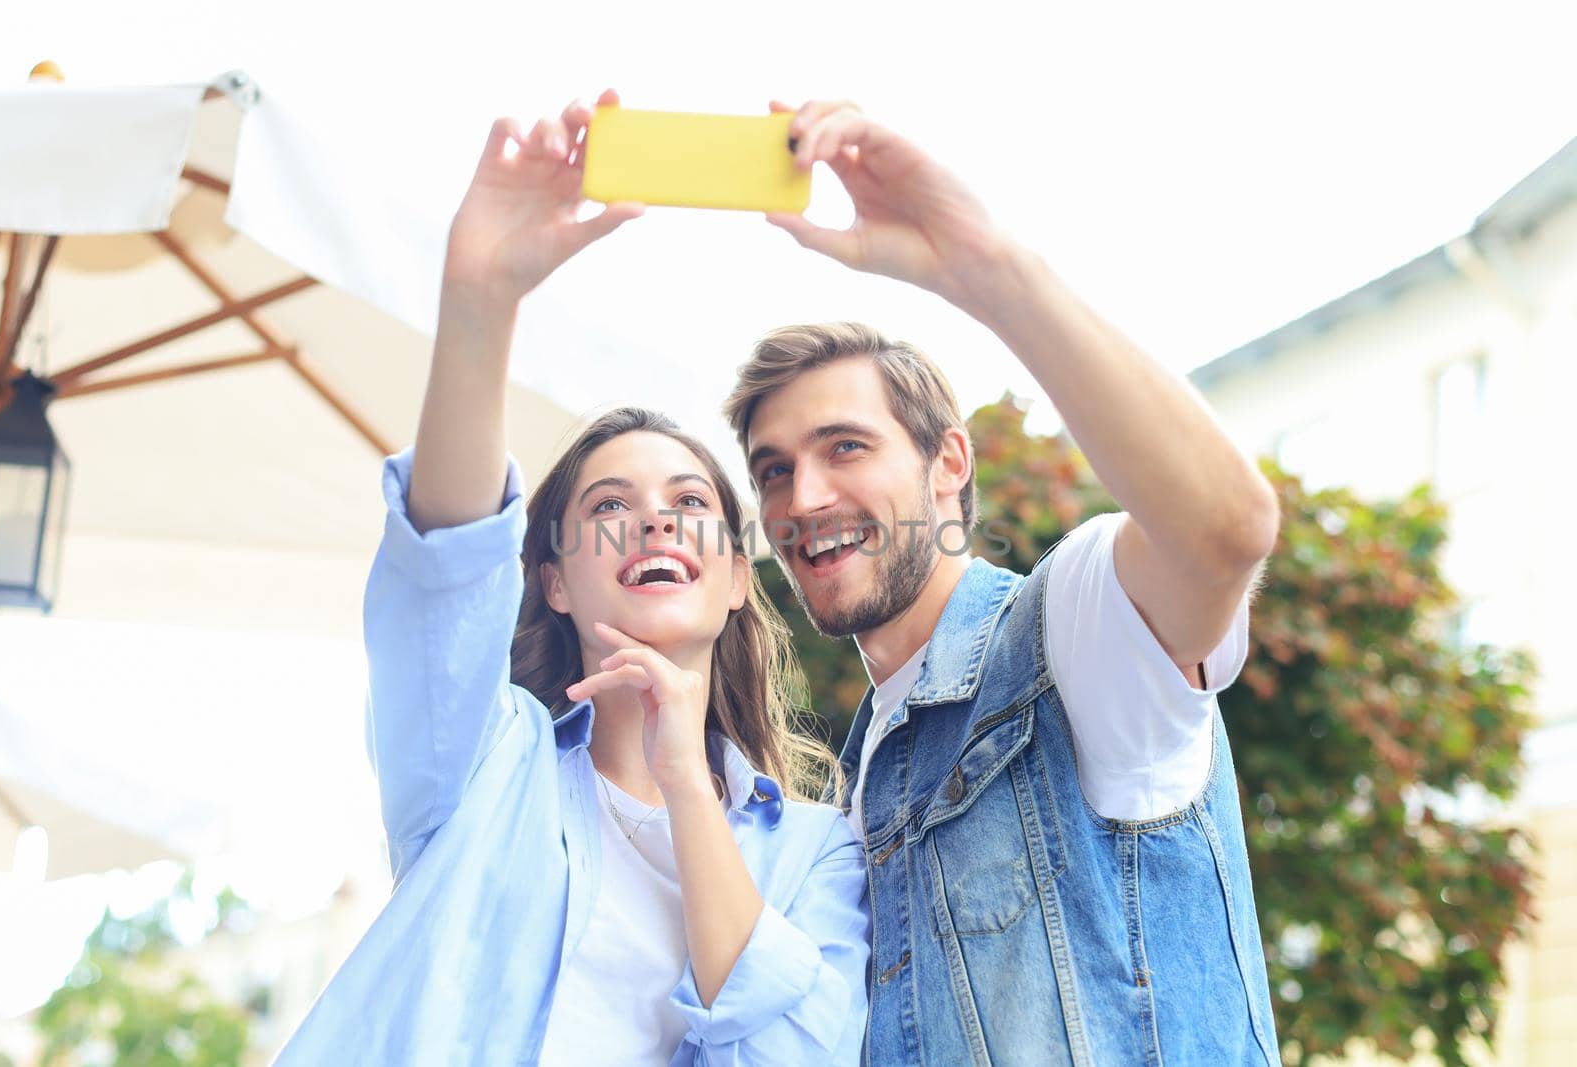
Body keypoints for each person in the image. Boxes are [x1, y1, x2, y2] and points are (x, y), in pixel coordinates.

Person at [273, 93, 869, 1066]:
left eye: (689, 501)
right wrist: (481, 297)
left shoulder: (815, 849)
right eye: (607, 506)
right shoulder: (483, 765)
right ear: (551, 581)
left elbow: (796, 1054)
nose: (652, 518)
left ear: (730, 578)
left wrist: (684, 774)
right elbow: (443, 561)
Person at [722, 101, 1284, 1064]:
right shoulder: (853, 794)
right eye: (773, 468)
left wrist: (981, 264)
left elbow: (1227, 529)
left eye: (844, 446)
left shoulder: (1068, 631)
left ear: (948, 463)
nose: (803, 496)